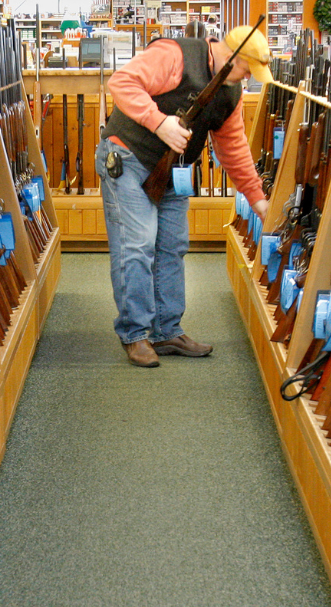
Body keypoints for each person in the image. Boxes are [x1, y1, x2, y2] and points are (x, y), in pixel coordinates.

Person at [96, 26, 272, 367]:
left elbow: (233, 146)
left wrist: (257, 198)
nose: (248, 78)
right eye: (246, 69)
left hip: (174, 170)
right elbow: (121, 82)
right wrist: (159, 122)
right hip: (128, 157)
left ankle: (165, 330)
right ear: (230, 55)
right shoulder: (174, 54)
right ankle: (135, 334)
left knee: (173, 246)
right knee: (138, 245)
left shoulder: (231, 91)